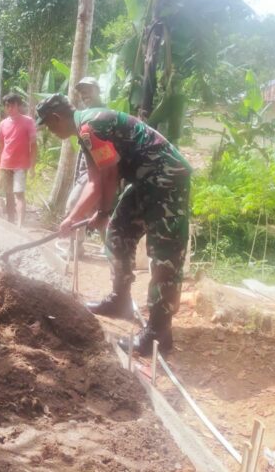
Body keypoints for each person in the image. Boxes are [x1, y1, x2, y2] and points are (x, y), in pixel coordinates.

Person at [35, 94, 191, 356]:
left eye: (48, 126)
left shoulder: (89, 128)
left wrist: (104, 212)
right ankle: (120, 301)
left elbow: (109, 175)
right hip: (145, 179)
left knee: (165, 256)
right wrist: (73, 218)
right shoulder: (85, 133)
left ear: (56, 118)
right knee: (118, 234)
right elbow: (95, 181)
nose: (50, 131)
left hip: (167, 177)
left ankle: (158, 334)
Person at [64, 77, 104, 257]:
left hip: (98, 171)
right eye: (81, 92)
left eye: (88, 90)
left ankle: (76, 248)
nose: (84, 95)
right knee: (97, 211)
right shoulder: (83, 115)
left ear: (97, 90)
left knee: (74, 205)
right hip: (85, 170)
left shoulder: (104, 114)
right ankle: (79, 247)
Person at [0, 94, 37, 225]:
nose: (9, 108)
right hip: (5, 164)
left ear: (18, 106)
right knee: (8, 194)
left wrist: (32, 167)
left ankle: (20, 225)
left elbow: (34, 145)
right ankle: (10, 221)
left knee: (19, 193)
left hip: (20, 165)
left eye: (12, 105)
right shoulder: (3, 124)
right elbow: (0, 148)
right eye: (7, 106)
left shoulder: (28, 121)